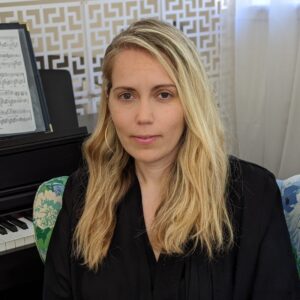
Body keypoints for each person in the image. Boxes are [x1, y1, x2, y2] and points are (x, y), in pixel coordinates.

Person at [43, 19, 300, 299]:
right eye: (126, 95)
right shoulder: (82, 192)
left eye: (164, 95)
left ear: (191, 101)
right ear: (109, 102)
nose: (143, 117)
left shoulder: (253, 192)